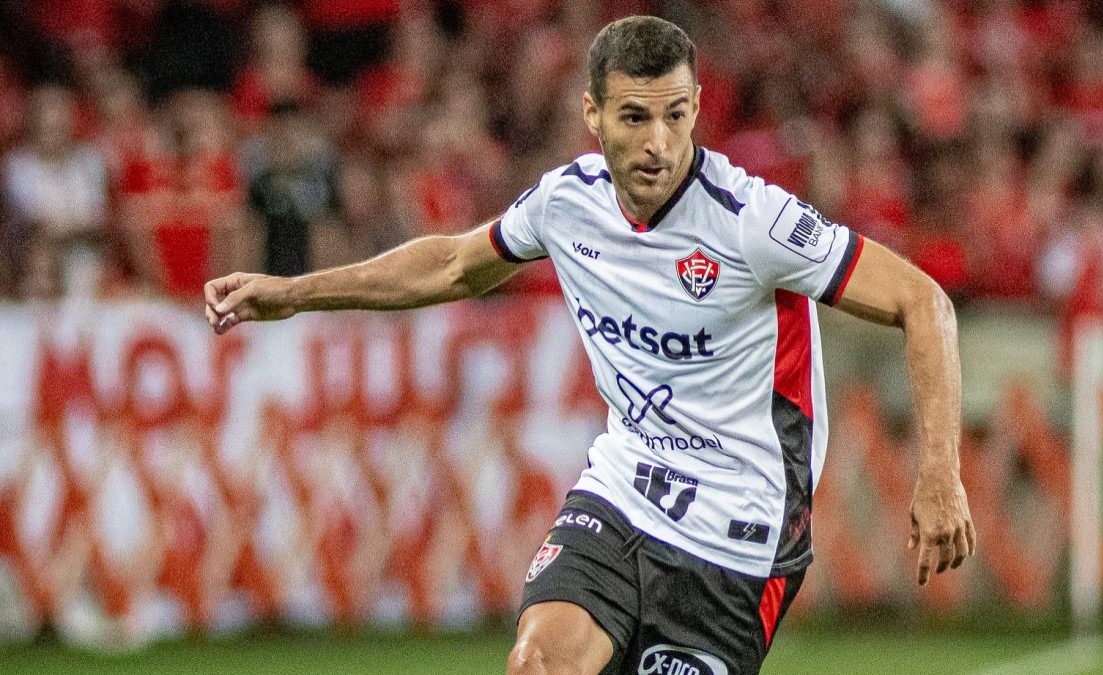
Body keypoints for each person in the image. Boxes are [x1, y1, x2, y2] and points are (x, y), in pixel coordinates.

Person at [205, 16, 975, 675]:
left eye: (676, 115)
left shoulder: (752, 221)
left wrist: (939, 470)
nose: (659, 142)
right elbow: (450, 264)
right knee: (538, 660)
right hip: (626, 487)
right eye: (635, 118)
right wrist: (294, 291)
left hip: (741, 528)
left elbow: (922, 300)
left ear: (699, 107)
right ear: (593, 114)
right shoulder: (564, 202)